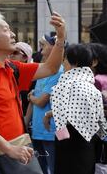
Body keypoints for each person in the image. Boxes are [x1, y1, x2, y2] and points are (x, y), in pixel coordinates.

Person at [0, 10, 66, 174]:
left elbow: (51, 68)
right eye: (5, 30)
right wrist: (9, 148)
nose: (12, 34)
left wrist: (60, 39)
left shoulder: (11, 67)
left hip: (14, 150)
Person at [43, 44, 107, 174]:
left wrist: (61, 139)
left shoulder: (64, 85)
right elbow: (100, 123)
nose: (63, 62)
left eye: (65, 59)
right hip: (89, 144)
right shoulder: (93, 88)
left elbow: (61, 122)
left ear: (75, 62)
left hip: (69, 143)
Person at [25, 35, 64, 174]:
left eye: (45, 43)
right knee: (41, 169)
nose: (41, 46)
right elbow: (37, 96)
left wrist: (31, 97)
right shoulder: (45, 68)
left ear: (55, 47)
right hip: (37, 129)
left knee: (52, 168)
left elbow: (41, 101)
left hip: (50, 131)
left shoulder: (58, 70)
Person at [9, 42, 34, 116]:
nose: (11, 55)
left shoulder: (33, 77)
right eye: (10, 52)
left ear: (25, 57)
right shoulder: (7, 72)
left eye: (15, 52)